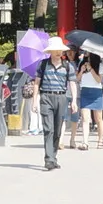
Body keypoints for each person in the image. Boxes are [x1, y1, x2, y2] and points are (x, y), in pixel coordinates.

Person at [34, 36, 72, 170]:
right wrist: (35, 100)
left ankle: (53, 157)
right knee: (48, 129)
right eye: (55, 50)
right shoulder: (43, 65)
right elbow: (37, 82)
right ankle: (48, 158)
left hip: (61, 97)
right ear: (50, 51)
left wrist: (73, 101)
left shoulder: (67, 66)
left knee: (57, 130)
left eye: (60, 50)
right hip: (46, 96)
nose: (58, 52)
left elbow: (72, 83)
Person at [74, 50, 103, 147]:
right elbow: (78, 79)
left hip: (96, 92)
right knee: (85, 118)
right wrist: (81, 71)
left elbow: (98, 80)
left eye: (88, 51)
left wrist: (91, 68)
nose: (85, 52)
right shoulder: (81, 63)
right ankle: (85, 142)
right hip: (85, 91)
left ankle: (100, 140)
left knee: (98, 118)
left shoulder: (101, 65)